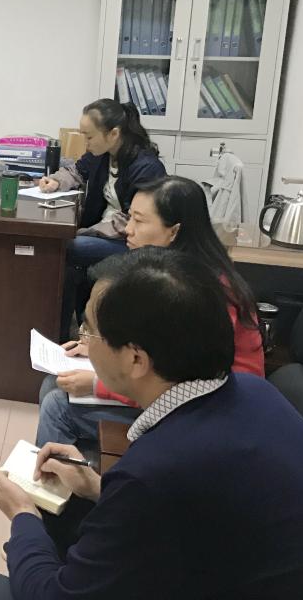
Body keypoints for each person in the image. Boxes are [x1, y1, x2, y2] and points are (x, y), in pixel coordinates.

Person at [0, 248, 303, 600]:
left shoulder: (155, 471)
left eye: (89, 330)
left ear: (136, 359)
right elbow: (193, 512)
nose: (83, 341)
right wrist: (97, 487)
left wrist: (23, 515)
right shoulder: (257, 393)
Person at [37, 175, 264, 448]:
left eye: (139, 221)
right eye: (129, 218)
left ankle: (74, 473)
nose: (128, 230)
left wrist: (98, 384)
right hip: (184, 397)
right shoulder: (171, 274)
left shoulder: (198, 292)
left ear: (174, 231)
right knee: (54, 383)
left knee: (58, 405)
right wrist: (100, 345)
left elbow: (176, 384)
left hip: (212, 412)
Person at [39, 99, 165, 339]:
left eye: (89, 136)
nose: (85, 142)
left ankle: (63, 332)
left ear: (113, 134)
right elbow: (76, 170)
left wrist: (86, 232)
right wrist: (55, 181)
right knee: (68, 263)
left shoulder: (146, 167)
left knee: (67, 247)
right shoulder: (102, 154)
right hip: (102, 232)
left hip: (129, 240)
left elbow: (131, 221)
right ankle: (62, 333)